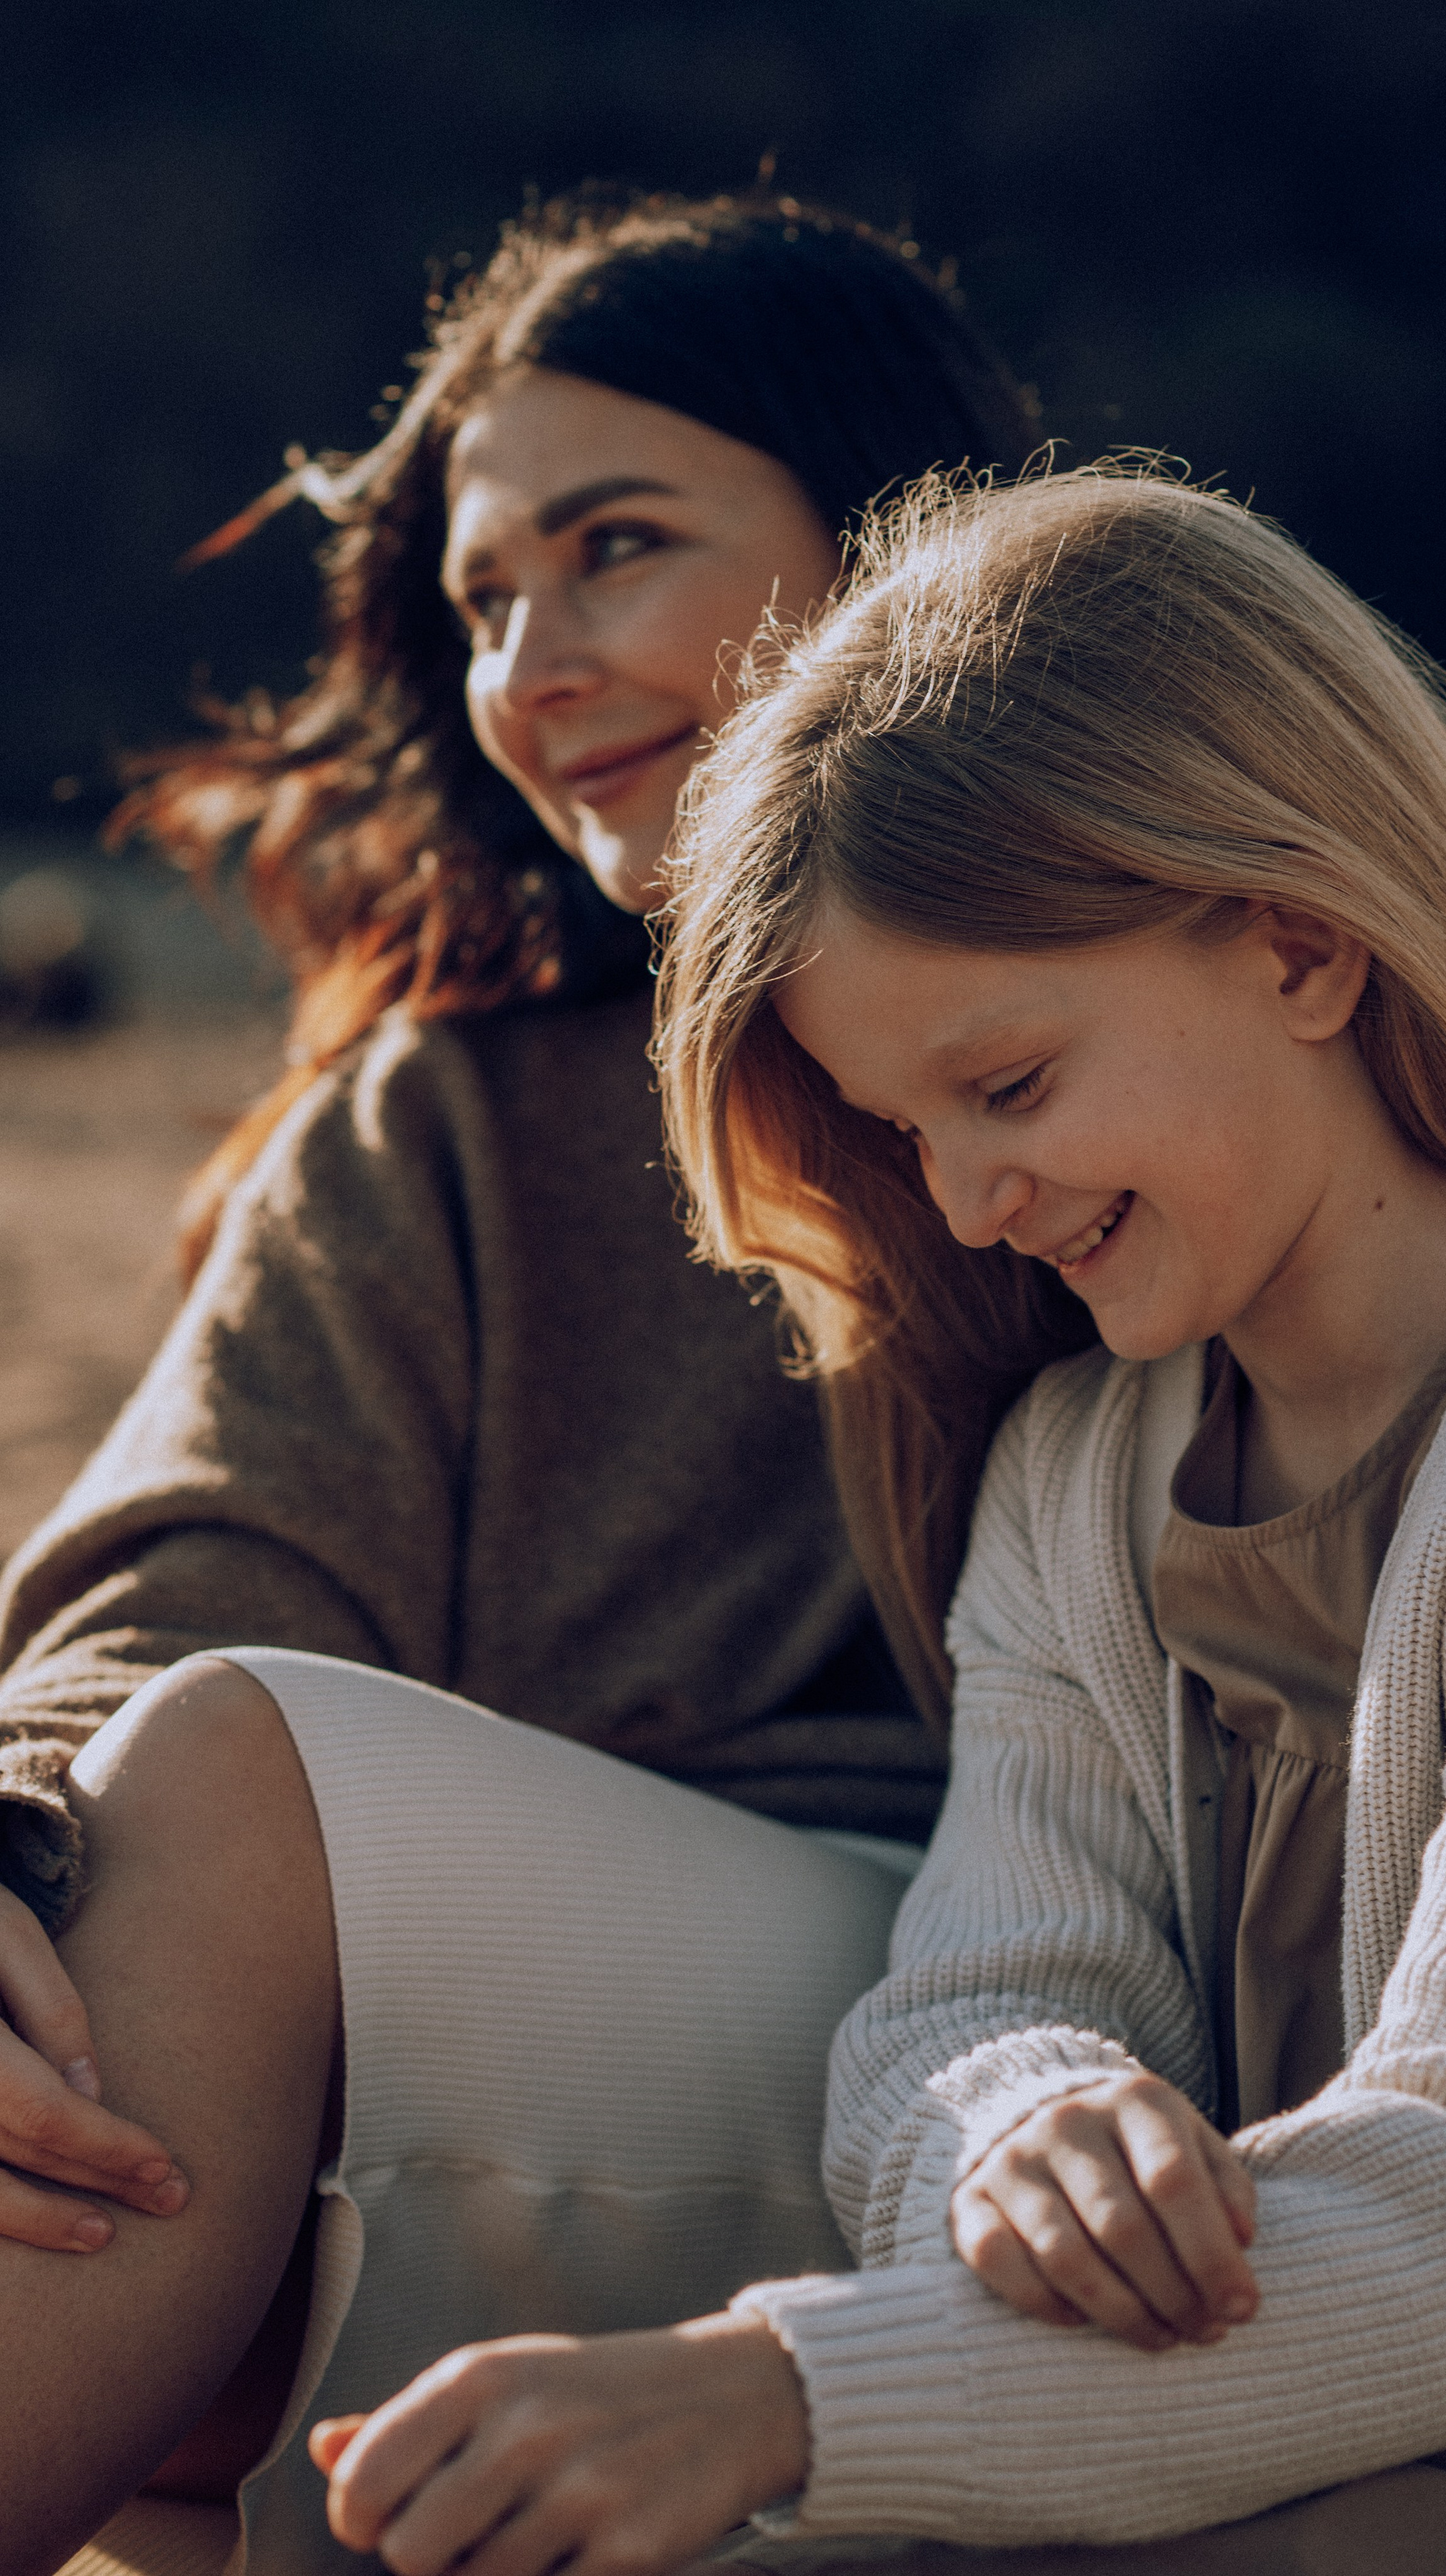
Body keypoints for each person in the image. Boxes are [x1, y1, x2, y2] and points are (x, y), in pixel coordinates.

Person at [285, 464, 1446, 2576]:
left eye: (1013, 1085)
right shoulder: (1080, 1474)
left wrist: (775, 2392)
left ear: (1303, 943)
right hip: (1187, 2444)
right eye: (903, 1127)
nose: (961, 1203)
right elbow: (959, 2006)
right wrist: (1035, 2119)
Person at [0, 198, 1041, 2574]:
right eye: (480, 600)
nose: (534, 664)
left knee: (238, 1808)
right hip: (498, 2065)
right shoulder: (450, 1111)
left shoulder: (1133, 1027)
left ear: (895, 529)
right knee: (83, 2002)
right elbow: (180, 1577)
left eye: (616, 550)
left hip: (1048, 2036)